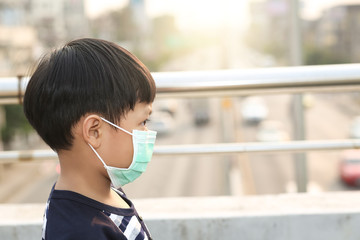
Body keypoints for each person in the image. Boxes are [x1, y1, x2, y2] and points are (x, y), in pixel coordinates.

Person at [23, 38, 157, 240]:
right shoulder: (79, 232)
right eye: (143, 122)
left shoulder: (103, 192)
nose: (147, 134)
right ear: (95, 131)